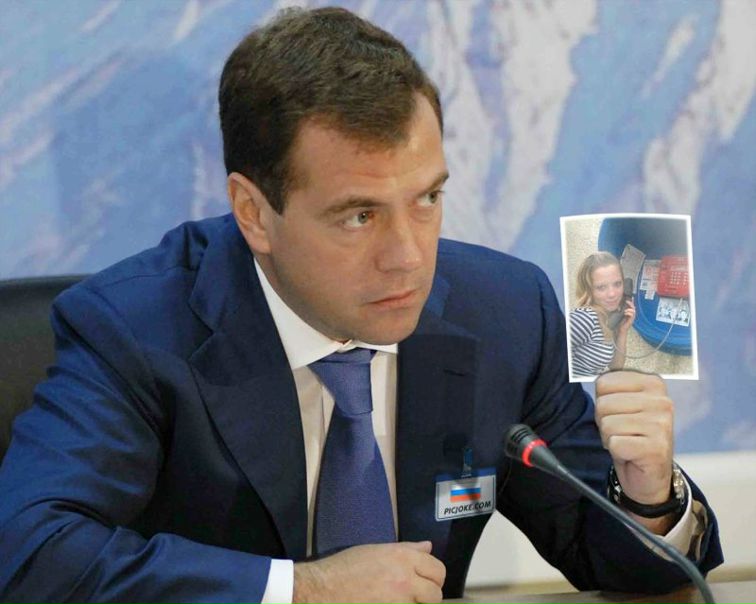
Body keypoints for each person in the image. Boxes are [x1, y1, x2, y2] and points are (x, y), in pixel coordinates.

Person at [0, 7, 721, 604]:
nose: (408, 256)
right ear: (254, 213)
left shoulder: (504, 312)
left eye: (427, 198)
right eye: (359, 215)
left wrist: (647, 494)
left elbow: (624, 564)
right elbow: (30, 554)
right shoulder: (135, 329)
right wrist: (301, 590)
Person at [570, 252, 636, 378]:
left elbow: (615, 367)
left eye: (617, 284)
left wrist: (622, 331)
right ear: (588, 290)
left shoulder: (607, 320)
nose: (612, 294)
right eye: (601, 287)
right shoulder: (585, 318)